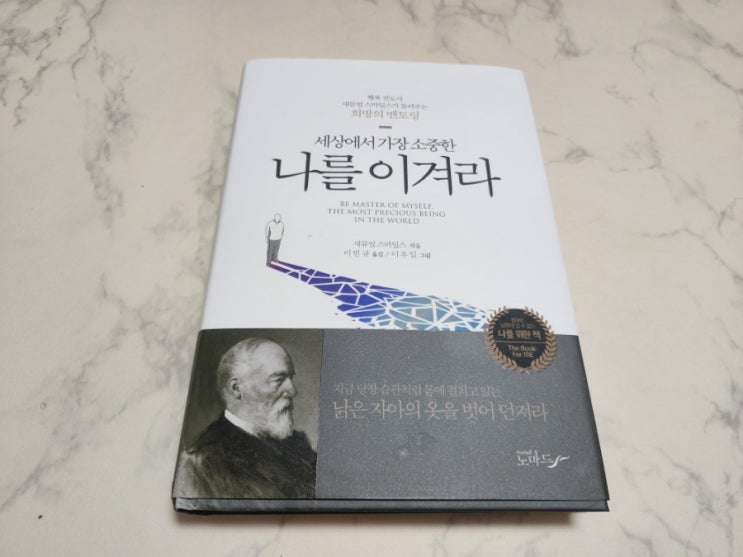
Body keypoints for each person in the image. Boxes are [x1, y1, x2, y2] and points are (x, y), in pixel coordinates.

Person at [175, 338, 316, 499]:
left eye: (290, 378)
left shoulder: (298, 445)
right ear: (236, 389)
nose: (292, 390)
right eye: (278, 380)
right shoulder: (200, 462)